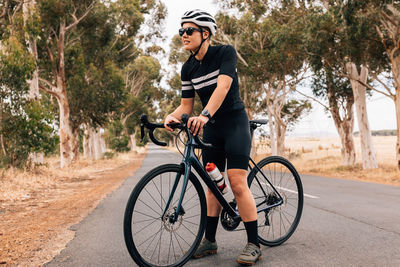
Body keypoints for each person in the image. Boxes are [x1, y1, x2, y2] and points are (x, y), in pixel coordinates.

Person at [164, 9, 261, 266]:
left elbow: (223, 87)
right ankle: (210, 241)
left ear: (205, 34)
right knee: (211, 186)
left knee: (236, 182)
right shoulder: (188, 68)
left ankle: (254, 244)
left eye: (189, 30)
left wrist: (204, 115)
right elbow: (186, 107)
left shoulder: (225, 53)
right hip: (212, 129)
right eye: (181, 31)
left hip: (234, 124)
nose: (183, 35)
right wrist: (169, 117)